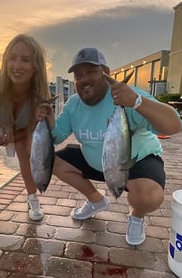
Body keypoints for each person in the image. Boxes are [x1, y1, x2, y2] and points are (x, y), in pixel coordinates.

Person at [36, 47, 181, 246]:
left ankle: (137, 216)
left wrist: (136, 102)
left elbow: (174, 126)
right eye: (78, 76)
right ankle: (96, 201)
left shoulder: (127, 96)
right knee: (50, 161)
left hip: (134, 160)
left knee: (149, 197)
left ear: (106, 73)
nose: (84, 79)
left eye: (91, 72)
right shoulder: (74, 104)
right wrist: (48, 117)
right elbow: (56, 136)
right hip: (97, 161)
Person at [0, 34, 51, 221]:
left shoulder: (38, 93)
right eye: (12, 58)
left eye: (25, 60)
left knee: (25, 150)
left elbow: (32, 129)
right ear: (5, 61)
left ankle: (32, 198)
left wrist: (8, 139)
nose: (17, 66)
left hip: (23, 129)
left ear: (35, 65)